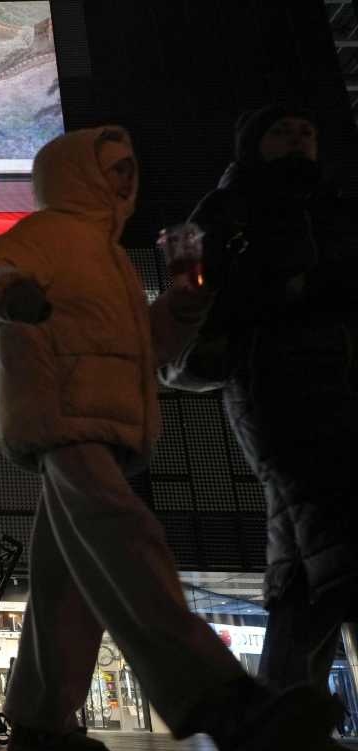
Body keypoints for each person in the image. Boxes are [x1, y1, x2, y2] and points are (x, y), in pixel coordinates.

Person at [0, 124, 347, 751]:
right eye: (112, 167)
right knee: (127, 539)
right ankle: (223, 703)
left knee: (66, 581)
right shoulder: (48, 233)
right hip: (62, 414)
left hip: (100, 423)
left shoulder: (111, 257)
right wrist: (7, 293)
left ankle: (43, 717)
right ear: (77, 173)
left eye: (130, 167)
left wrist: (186, 301)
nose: (127, 178)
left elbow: (150, 351)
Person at [170, 107, 358, 703]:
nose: (298, 138)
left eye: (308, 131)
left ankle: (282, 706)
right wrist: (294, 291)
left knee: (305, 551)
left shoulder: (332, 204)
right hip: (277, 383)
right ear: (253, 143)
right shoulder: (228, 210)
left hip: (337, 378)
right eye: (282, 131)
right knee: (333, 531)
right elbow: (193, 299)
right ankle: (283, 706)